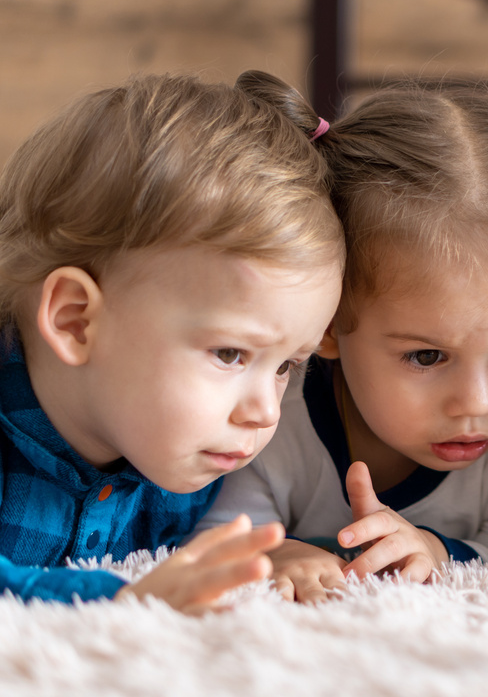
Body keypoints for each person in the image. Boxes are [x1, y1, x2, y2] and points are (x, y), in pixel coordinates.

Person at [199, 28, 488, 602]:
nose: (478, 402)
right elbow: (206, 536)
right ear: (326, 326)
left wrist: (439, 552)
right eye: (426, 355)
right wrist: (279, 551)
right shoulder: (271, 404)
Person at [0, 72, 345, 609]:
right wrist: (115, 599)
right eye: (230, 354)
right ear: (75, 321)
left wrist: (273, 554)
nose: (264, 414)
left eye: (286, 367)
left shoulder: (175, 449)